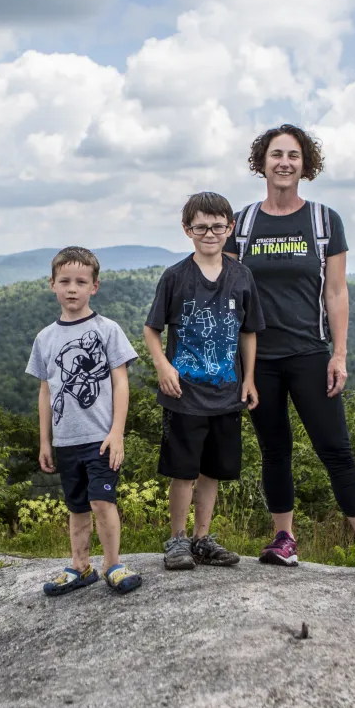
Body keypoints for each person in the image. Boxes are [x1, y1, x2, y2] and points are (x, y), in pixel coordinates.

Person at [226, 124, 355, 583]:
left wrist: (339, 354)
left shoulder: (325, 221)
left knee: (336, 449)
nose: (283, 162)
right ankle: (283, 540)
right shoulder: (242, 224)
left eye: (293, 155)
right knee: (274, 450)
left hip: (310, 352)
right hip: (257, 359)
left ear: (306, 164)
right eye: (275, 155)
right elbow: (226, 291)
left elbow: (337, 292)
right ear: (260, 163)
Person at [144, 192, 265, 571]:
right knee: (183, 471)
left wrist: (249, 379)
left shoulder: (242, 277)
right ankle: (177, 540)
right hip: (184, 395)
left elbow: (248, 332)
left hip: (227, 394)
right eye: (201, 227)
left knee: (212, 470)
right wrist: (163, 366)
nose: (209, 233)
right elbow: (152, 329)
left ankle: (202, 538)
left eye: (217, 226)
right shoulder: (176, 277)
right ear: (187, 230)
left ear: (230, 228)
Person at [27, 246, 143, 595]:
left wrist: (117, 433)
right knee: (76, 505)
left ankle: (113, 565)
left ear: (95, 286)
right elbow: (46, 392)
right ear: (52, 285)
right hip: (65, 441)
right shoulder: (45, 338)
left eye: (81, 281)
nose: (72, 288)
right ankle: (80, 566)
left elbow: (121, 382)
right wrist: (45, 440)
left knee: (101, 501)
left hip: (101, 438)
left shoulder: (108, 330)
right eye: (65, 281)